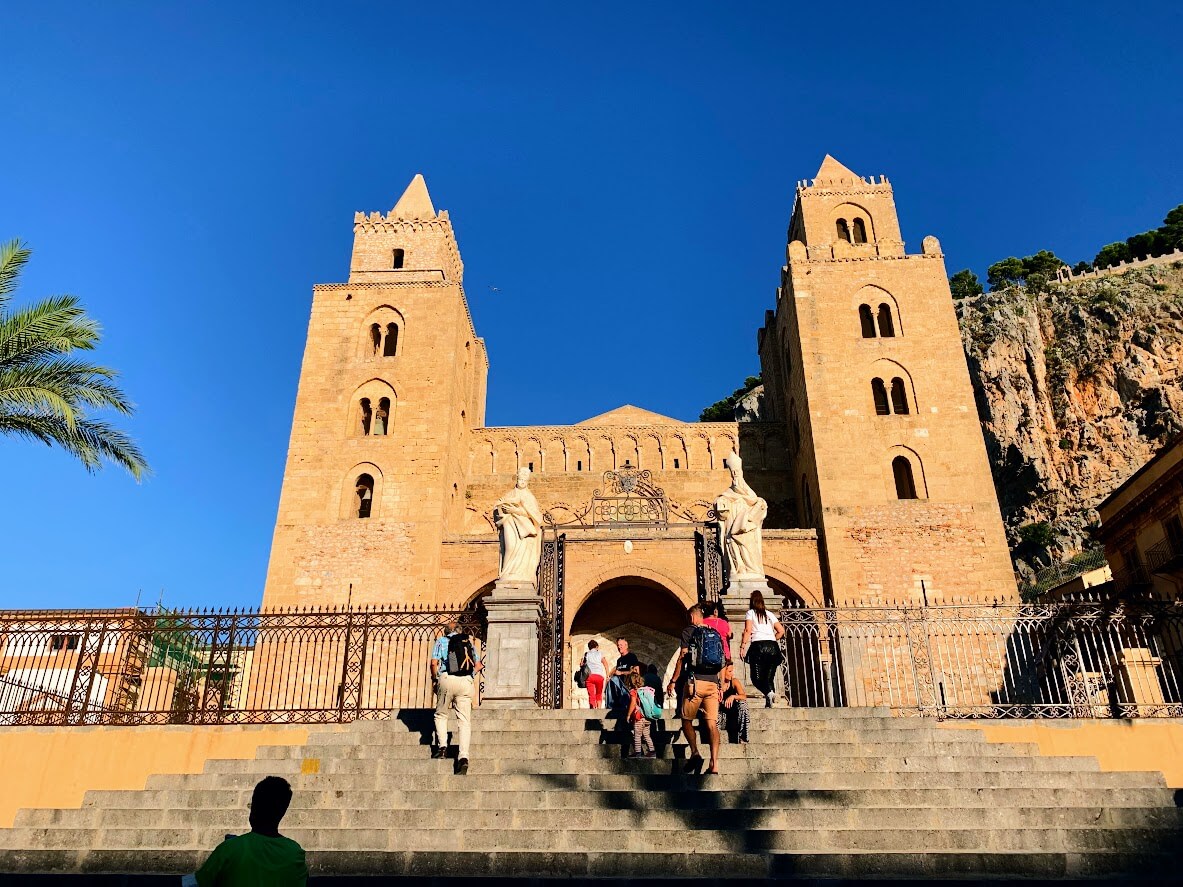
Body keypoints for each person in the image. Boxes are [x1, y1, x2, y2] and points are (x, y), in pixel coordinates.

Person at [187, 776, 307, 887]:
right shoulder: (295, 853)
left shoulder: (229, 849)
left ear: (254, 807)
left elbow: (197, 882)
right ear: (282, 812)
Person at [667, 605, 722, 775]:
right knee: (712, 724)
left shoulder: (688, 632)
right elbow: (722, 660)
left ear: (692, 617)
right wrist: (720, 684)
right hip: (713, 683)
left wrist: (673, 680)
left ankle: (695, 752)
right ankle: (714, 763)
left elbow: (682, 657)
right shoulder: (715, 632)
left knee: (686, 719)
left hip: (695, 683)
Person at [430, 619, 483, 774]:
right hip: (465, 681)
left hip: (447, 679)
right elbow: (478, 665)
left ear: (445, 631)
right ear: (460, 631)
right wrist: (470, 676)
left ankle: (443, 748)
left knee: (441, 714)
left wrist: (435, 680)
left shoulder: (441, 641)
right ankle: (463, 757)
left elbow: (434, 663)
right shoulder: (468, 643)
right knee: (464, 721)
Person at [739, 589, 784, 707]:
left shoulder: (751, 613)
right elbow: (781, 631)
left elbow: (748, 630)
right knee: (769, 677)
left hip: (758, 647)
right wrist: (772, 638)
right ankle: (770, 700)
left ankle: (769, 694)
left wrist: (743, 646)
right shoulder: (770, 614)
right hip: (773, 647)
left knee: (756, 678)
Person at [717, 659, 750, 744]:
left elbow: (743, 696)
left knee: (743, 704)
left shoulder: (734, 682)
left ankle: (743, 737)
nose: (732, 674)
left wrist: (733, 696)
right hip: (721, 718)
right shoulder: (715, 684)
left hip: (734, 718)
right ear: (723, 671)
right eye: (730, 671)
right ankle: (715, 740)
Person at [625, 672, 656, 758]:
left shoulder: (634, 692)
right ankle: (652, 751)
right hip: (647, 717)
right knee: (646, 735)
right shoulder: (645, 690)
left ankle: (638, 753)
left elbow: (633, 703)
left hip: (639, 717)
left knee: (637, 735)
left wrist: (628, 715)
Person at [604, 637, 640, 711]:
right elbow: (617, 673)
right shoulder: (619, 660)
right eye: (618, 645)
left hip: (627, 687)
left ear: (626, 645)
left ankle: (611, 706)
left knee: (613, 680)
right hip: (618, 687)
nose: (619, 647)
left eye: (621, 645)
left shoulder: (632, 657)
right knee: (611, 680)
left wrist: (621, 673)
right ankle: (610, 707)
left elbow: (636, 672)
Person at [581, 639, 607, 708]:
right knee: (599, 694)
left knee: (591, 695)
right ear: (597, 646)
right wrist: (607, 674)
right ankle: (599, 709)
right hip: (599, 676)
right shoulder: (600, 653)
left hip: (589, 676)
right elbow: (605, 664)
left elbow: (581, 664)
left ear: (589, 647)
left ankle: (592, 710)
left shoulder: (586, 654)